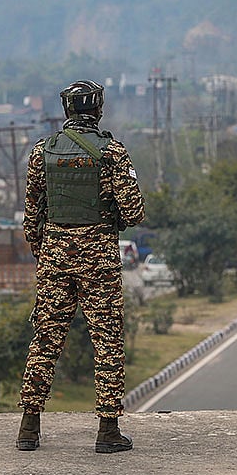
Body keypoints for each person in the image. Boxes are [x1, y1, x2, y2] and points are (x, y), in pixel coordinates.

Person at [16, 80, 145, 453]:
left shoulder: (43, 152)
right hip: (99, 258)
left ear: (67, 111)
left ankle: (29, 426)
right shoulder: (112, 152)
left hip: (55, 255)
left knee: (46, 338)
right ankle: (107, 430)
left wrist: (47, 252)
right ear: (98, 109)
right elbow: (134, 212)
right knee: (106, 340)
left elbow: (31, 216)